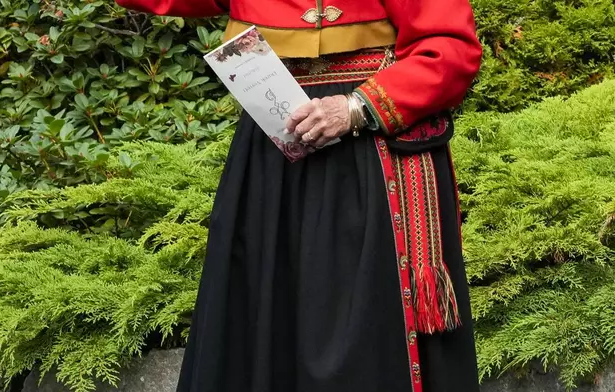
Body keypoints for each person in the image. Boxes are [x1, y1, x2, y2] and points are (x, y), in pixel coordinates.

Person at [114, 0, 483, 391]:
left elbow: (449, 48)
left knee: (366, 335)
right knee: (261, 326)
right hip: (270, 148)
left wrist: (357, 107)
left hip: (371, 145)